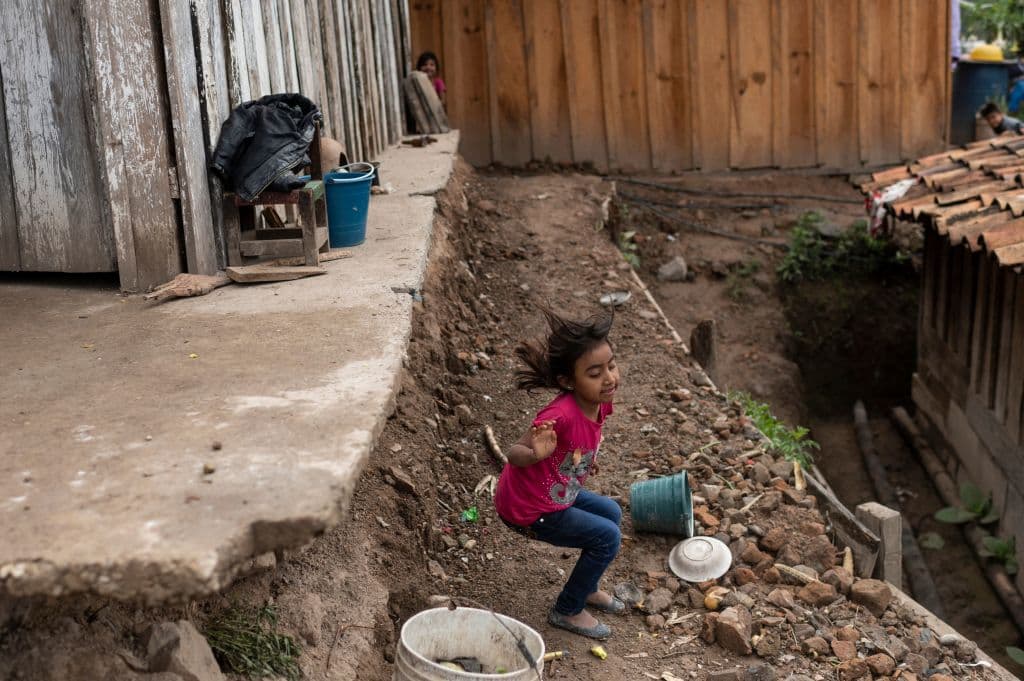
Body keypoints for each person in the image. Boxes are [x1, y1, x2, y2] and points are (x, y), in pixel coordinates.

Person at [494, 308, 623, 640]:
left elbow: (580, 443)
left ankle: (587, 588)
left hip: (556, 495)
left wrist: (582, 462)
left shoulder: (600, 400)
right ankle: (567, 609)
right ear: (569, 381)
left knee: (611, 512)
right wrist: (536, 454)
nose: (608, 378)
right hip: (527, 509)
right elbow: (514, 454)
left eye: (610, 366)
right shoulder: (558, 415)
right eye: (595, 373)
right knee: (607, 537)